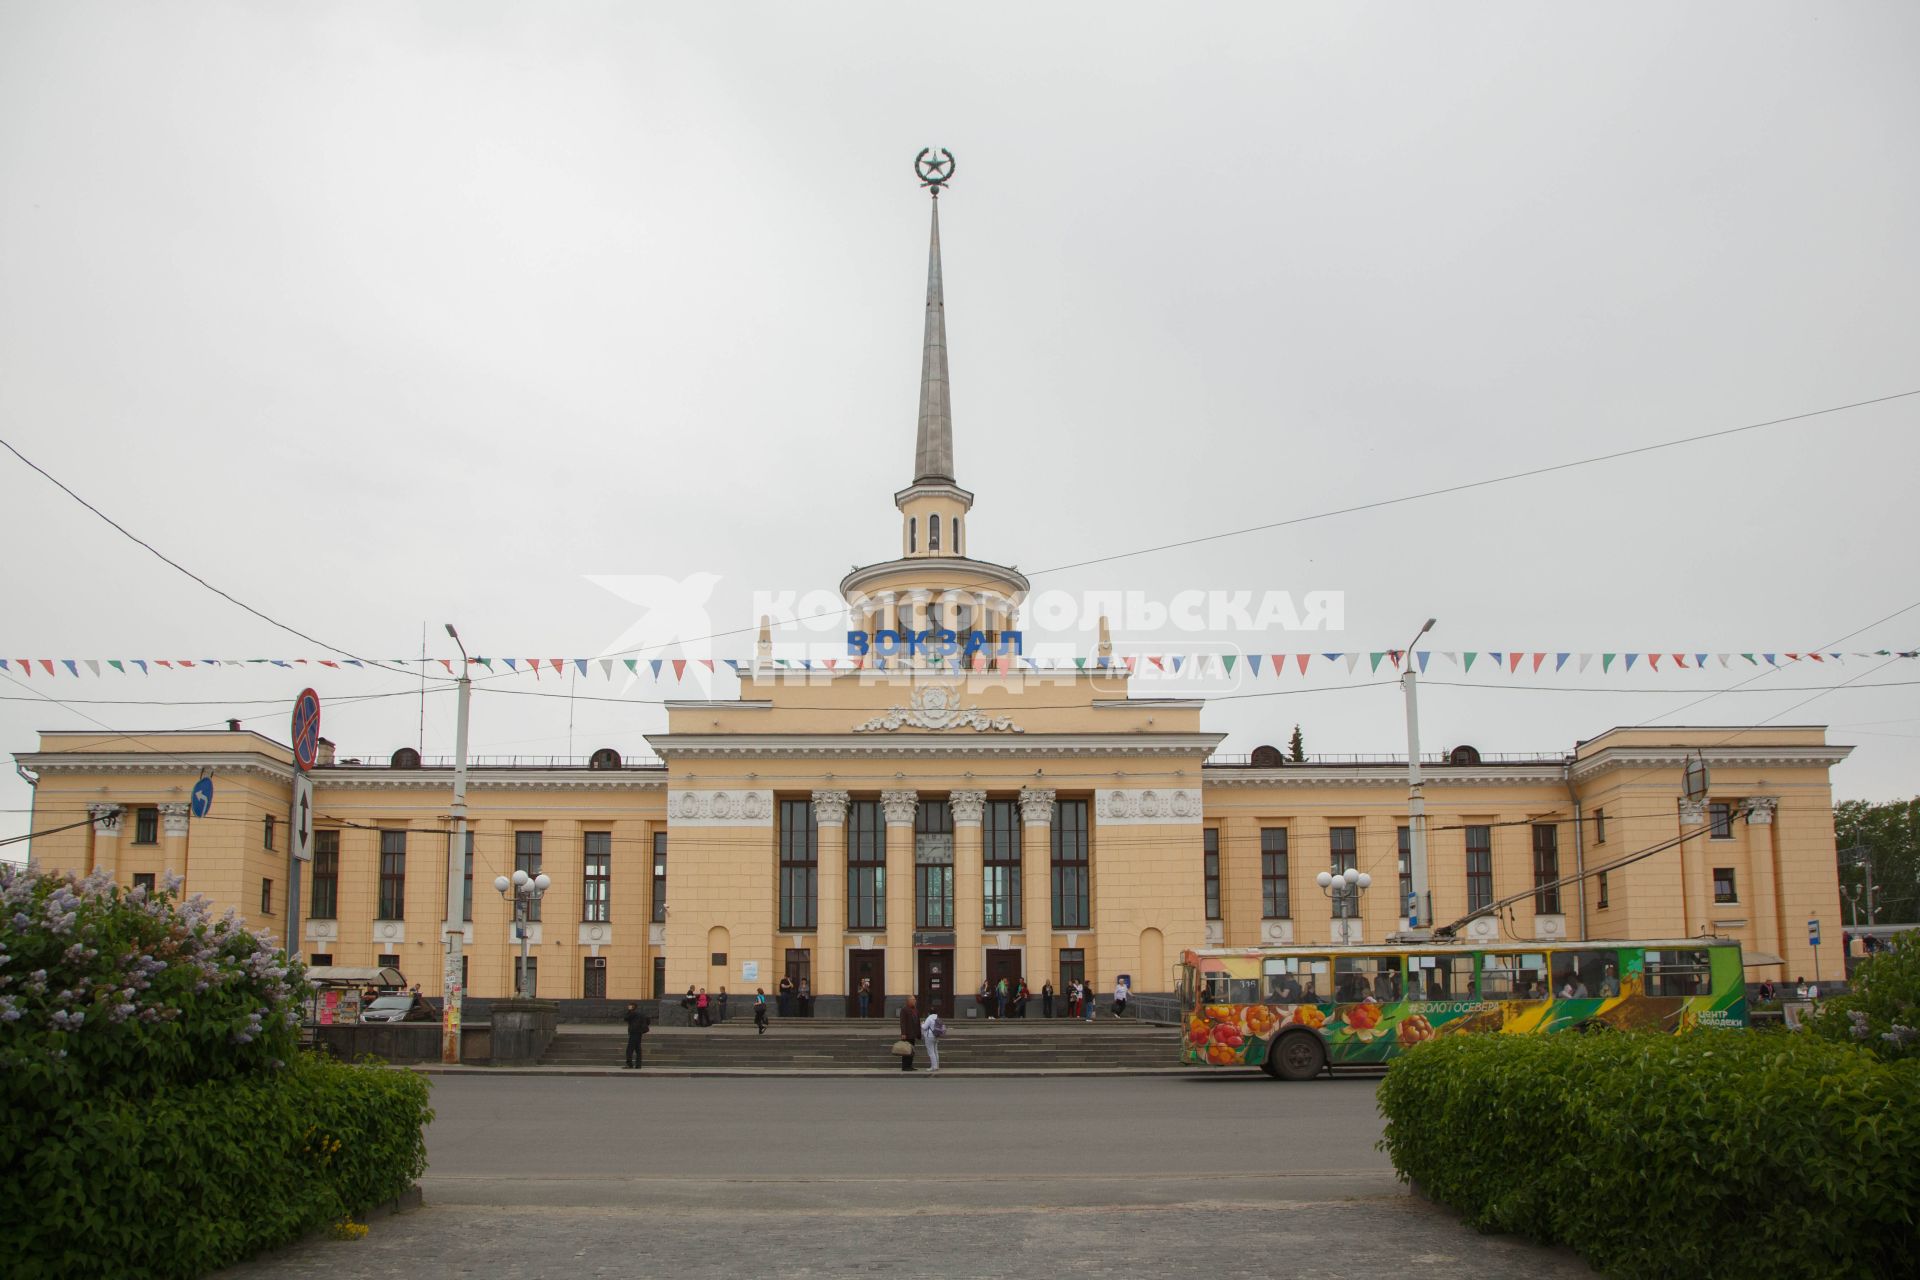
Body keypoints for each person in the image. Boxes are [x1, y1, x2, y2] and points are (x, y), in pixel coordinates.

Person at [624, 1001, 650, 1069]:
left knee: (629, 1049)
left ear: (632, 1007)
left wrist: (629, 1011)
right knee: (638, 1049)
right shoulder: (641, 1014)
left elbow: (625, 1018)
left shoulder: (632, 1014)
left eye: (629, 1006)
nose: (628, 1007)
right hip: (639, 1033)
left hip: (633, 1033)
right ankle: (638, 1065)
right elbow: (648, 1020)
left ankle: (629, 1064)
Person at [921, 1006, 946, 1073]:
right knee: (935, 1051)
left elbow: (924, 1027)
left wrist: (922, 1024)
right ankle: (937, 1066)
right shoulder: (937, 1017)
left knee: (931, 1052)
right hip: (936, 1036)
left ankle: (933, 1067)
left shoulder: (929, 1018)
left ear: (929, 1013)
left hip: (929, 1036)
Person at [898, 997, 920, 1072]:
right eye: (913, 1000)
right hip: (907, 1034)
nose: (915, 1001)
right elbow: (903, 1022)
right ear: (908, 1001)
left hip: (913, 1034)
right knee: (906, 1051)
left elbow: (917, 1022)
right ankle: (905, 1066)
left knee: (911, 1051)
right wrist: (903, 1033)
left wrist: (918, 1033)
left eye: (915, 1000)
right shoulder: (904, 1010)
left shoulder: (915, 1010)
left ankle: (910, 1065)